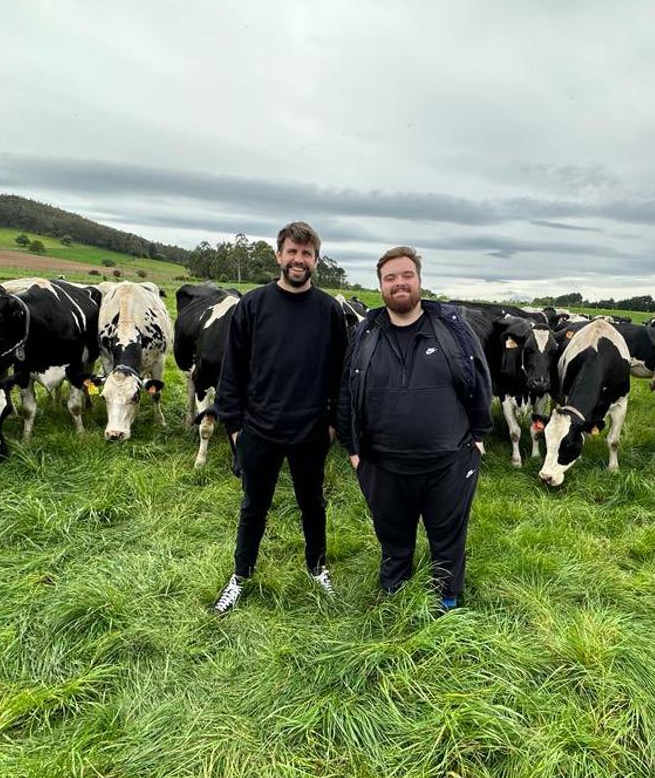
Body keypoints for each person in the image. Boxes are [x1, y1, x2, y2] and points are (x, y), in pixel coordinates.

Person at [337, 246, 492, 613]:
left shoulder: (451, 329)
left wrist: (480, 436)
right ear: (380, 286)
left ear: (419, 280)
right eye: (390, 278)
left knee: (448, 538)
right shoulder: (365, 334)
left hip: (448, 462)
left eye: (407, 275)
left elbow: (478, 380)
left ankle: (447, 601)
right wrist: (353, 448)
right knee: (393, 538)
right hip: (382, 464)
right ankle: (395, 597)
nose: (399, 283)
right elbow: (345, 391)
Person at [210, 222, 348, 614]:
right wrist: (235, 427)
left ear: (316, 260)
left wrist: (333, 424)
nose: (298, 260)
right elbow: (232, 372)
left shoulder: (328, 311)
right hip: (259, 430)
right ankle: (241, 575)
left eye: (306, 254)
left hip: (310, 431)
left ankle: (317, 567)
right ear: (279, 256)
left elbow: (341, 374)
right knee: (254, 505)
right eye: (292, 252)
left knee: (312, 503)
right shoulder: (253, 306)